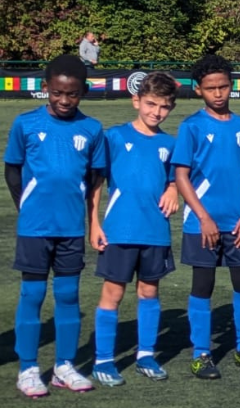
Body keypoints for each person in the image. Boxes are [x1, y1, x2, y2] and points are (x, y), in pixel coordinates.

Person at [6, 55, 105, 397]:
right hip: (34, 228)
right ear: (46, 88)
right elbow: (13, 170)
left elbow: (95, 179)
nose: (64, 100)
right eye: (58, 93)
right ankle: (29, 369)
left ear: (83, 92)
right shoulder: (25, 124)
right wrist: (27, 207)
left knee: (67, 295)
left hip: (71, 230)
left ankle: (64, 365)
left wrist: (92, 221)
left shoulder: (91, 129)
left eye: (73, 94)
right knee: (32, 294)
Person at [174, 54, 240, 378]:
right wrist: (203, 217)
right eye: (210, 88)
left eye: (223, 87)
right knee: (202, 285)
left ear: (231, 86)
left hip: (237, 223)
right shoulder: (191, 126)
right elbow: (182, 176)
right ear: (199, 89)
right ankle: (202, 353)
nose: (218, 93)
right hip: (202, 224)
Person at [90, 71, 178, 386]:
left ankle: (145, 355)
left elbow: (175, 179)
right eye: (151, 104)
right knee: (112, 293)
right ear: (136, 101)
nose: (156, 112)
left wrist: (173, 189)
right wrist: (94, 223)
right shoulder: (114, 137)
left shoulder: (170, 143)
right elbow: (96, 183)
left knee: (149, 291)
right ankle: (102, 359)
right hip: (119, 230)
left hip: (155, 231)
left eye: (164, 107)